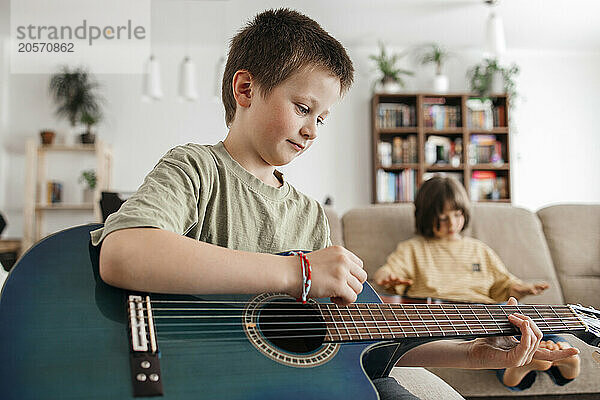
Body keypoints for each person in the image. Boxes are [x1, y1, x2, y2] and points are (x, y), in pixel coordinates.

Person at [92, 9, 578, 400]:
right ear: (245, 89)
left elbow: (346, 344)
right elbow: (123, 254)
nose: (312, 131)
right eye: (304, 108)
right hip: (180, 372)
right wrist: (296, 273)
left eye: (322, 118)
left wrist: (475, 355)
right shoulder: (196, 168)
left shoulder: (308, 216)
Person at [374, 175, 580, 392]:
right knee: (494, 343)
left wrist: (519, 288)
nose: (452, 223)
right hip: (445, 315)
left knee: (525, 321)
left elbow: (502, 283)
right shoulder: (413, 248)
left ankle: (563, 355)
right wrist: (385, 277)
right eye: (443, 218)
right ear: (426, 218)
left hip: (488, 310)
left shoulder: (478, 249)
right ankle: (516, 369)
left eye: (457, 214)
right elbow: (388, 272)